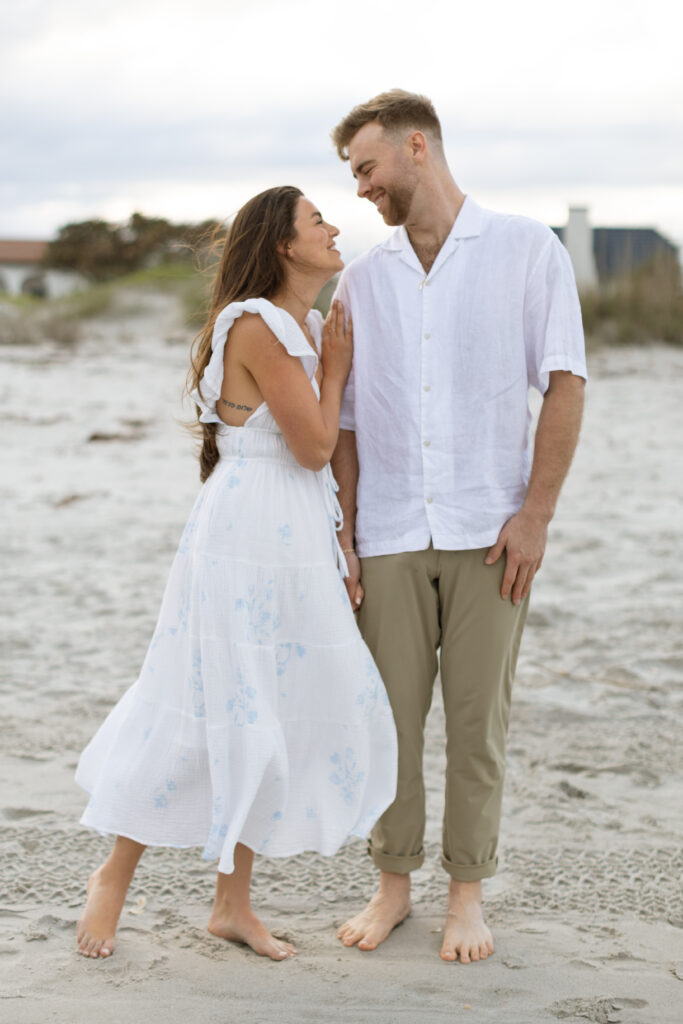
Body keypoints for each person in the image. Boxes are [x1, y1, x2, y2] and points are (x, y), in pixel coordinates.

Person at [75, 185, 398, 962]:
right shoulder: (254, 324)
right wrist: (340, 365)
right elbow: (315, 444)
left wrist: (342, 543)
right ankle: (113, 877)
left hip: (291, 534)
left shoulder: (305, 325)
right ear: (284, 245)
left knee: (271, 708)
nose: (332, 228)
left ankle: (232, 905)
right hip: (246, 535)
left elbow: (319, 466)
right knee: (200, 701)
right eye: (317, 220)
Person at [329, 91, 587, 964]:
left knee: (477, 723)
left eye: (365, 167)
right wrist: (348, 532)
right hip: (391, 531)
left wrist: (535, 516)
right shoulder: (362, 281)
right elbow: (352, 425)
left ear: (415, 148)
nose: (359, 188)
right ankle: (393, 886)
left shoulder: (526, 250)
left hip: (490, 530)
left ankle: (466, 895)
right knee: (388, 724)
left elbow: (563, 381)